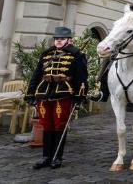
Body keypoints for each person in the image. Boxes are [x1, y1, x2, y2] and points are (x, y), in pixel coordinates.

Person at [25, 26, 88, 170]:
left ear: (69, 40)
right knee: (46, 125)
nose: (59, 41)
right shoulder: (46, 54)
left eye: (62, 39)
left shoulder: (76, 55)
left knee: (60, 125)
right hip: (44, 93)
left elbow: (81, 77)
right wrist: (30, 93)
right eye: (57, 39)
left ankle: (57, 157)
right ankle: (46, 157)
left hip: (63, 93)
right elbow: (37, 74)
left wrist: (80, 96)